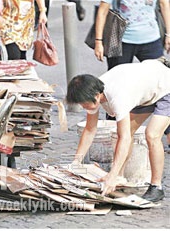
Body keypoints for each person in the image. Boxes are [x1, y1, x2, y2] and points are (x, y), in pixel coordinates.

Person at [66, 58, 170, 202]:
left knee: (152, 135)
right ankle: (119, 177)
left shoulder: (118, 97)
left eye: (85, 105)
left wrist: (111, 174)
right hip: (145, 90)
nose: (84, 108)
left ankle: (156, 187)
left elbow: (125, 137)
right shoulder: (92, 91)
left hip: (165, 86)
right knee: (125, 132)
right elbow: (90, 130)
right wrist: (76, 162)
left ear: (97, 96)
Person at [94, 0, 170, 70]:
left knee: (158, 76)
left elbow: (164, 5)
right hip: (121, 41)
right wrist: (98, 42)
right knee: (118, 79)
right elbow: (102, 11)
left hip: (151, 39)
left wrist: (168, 34)